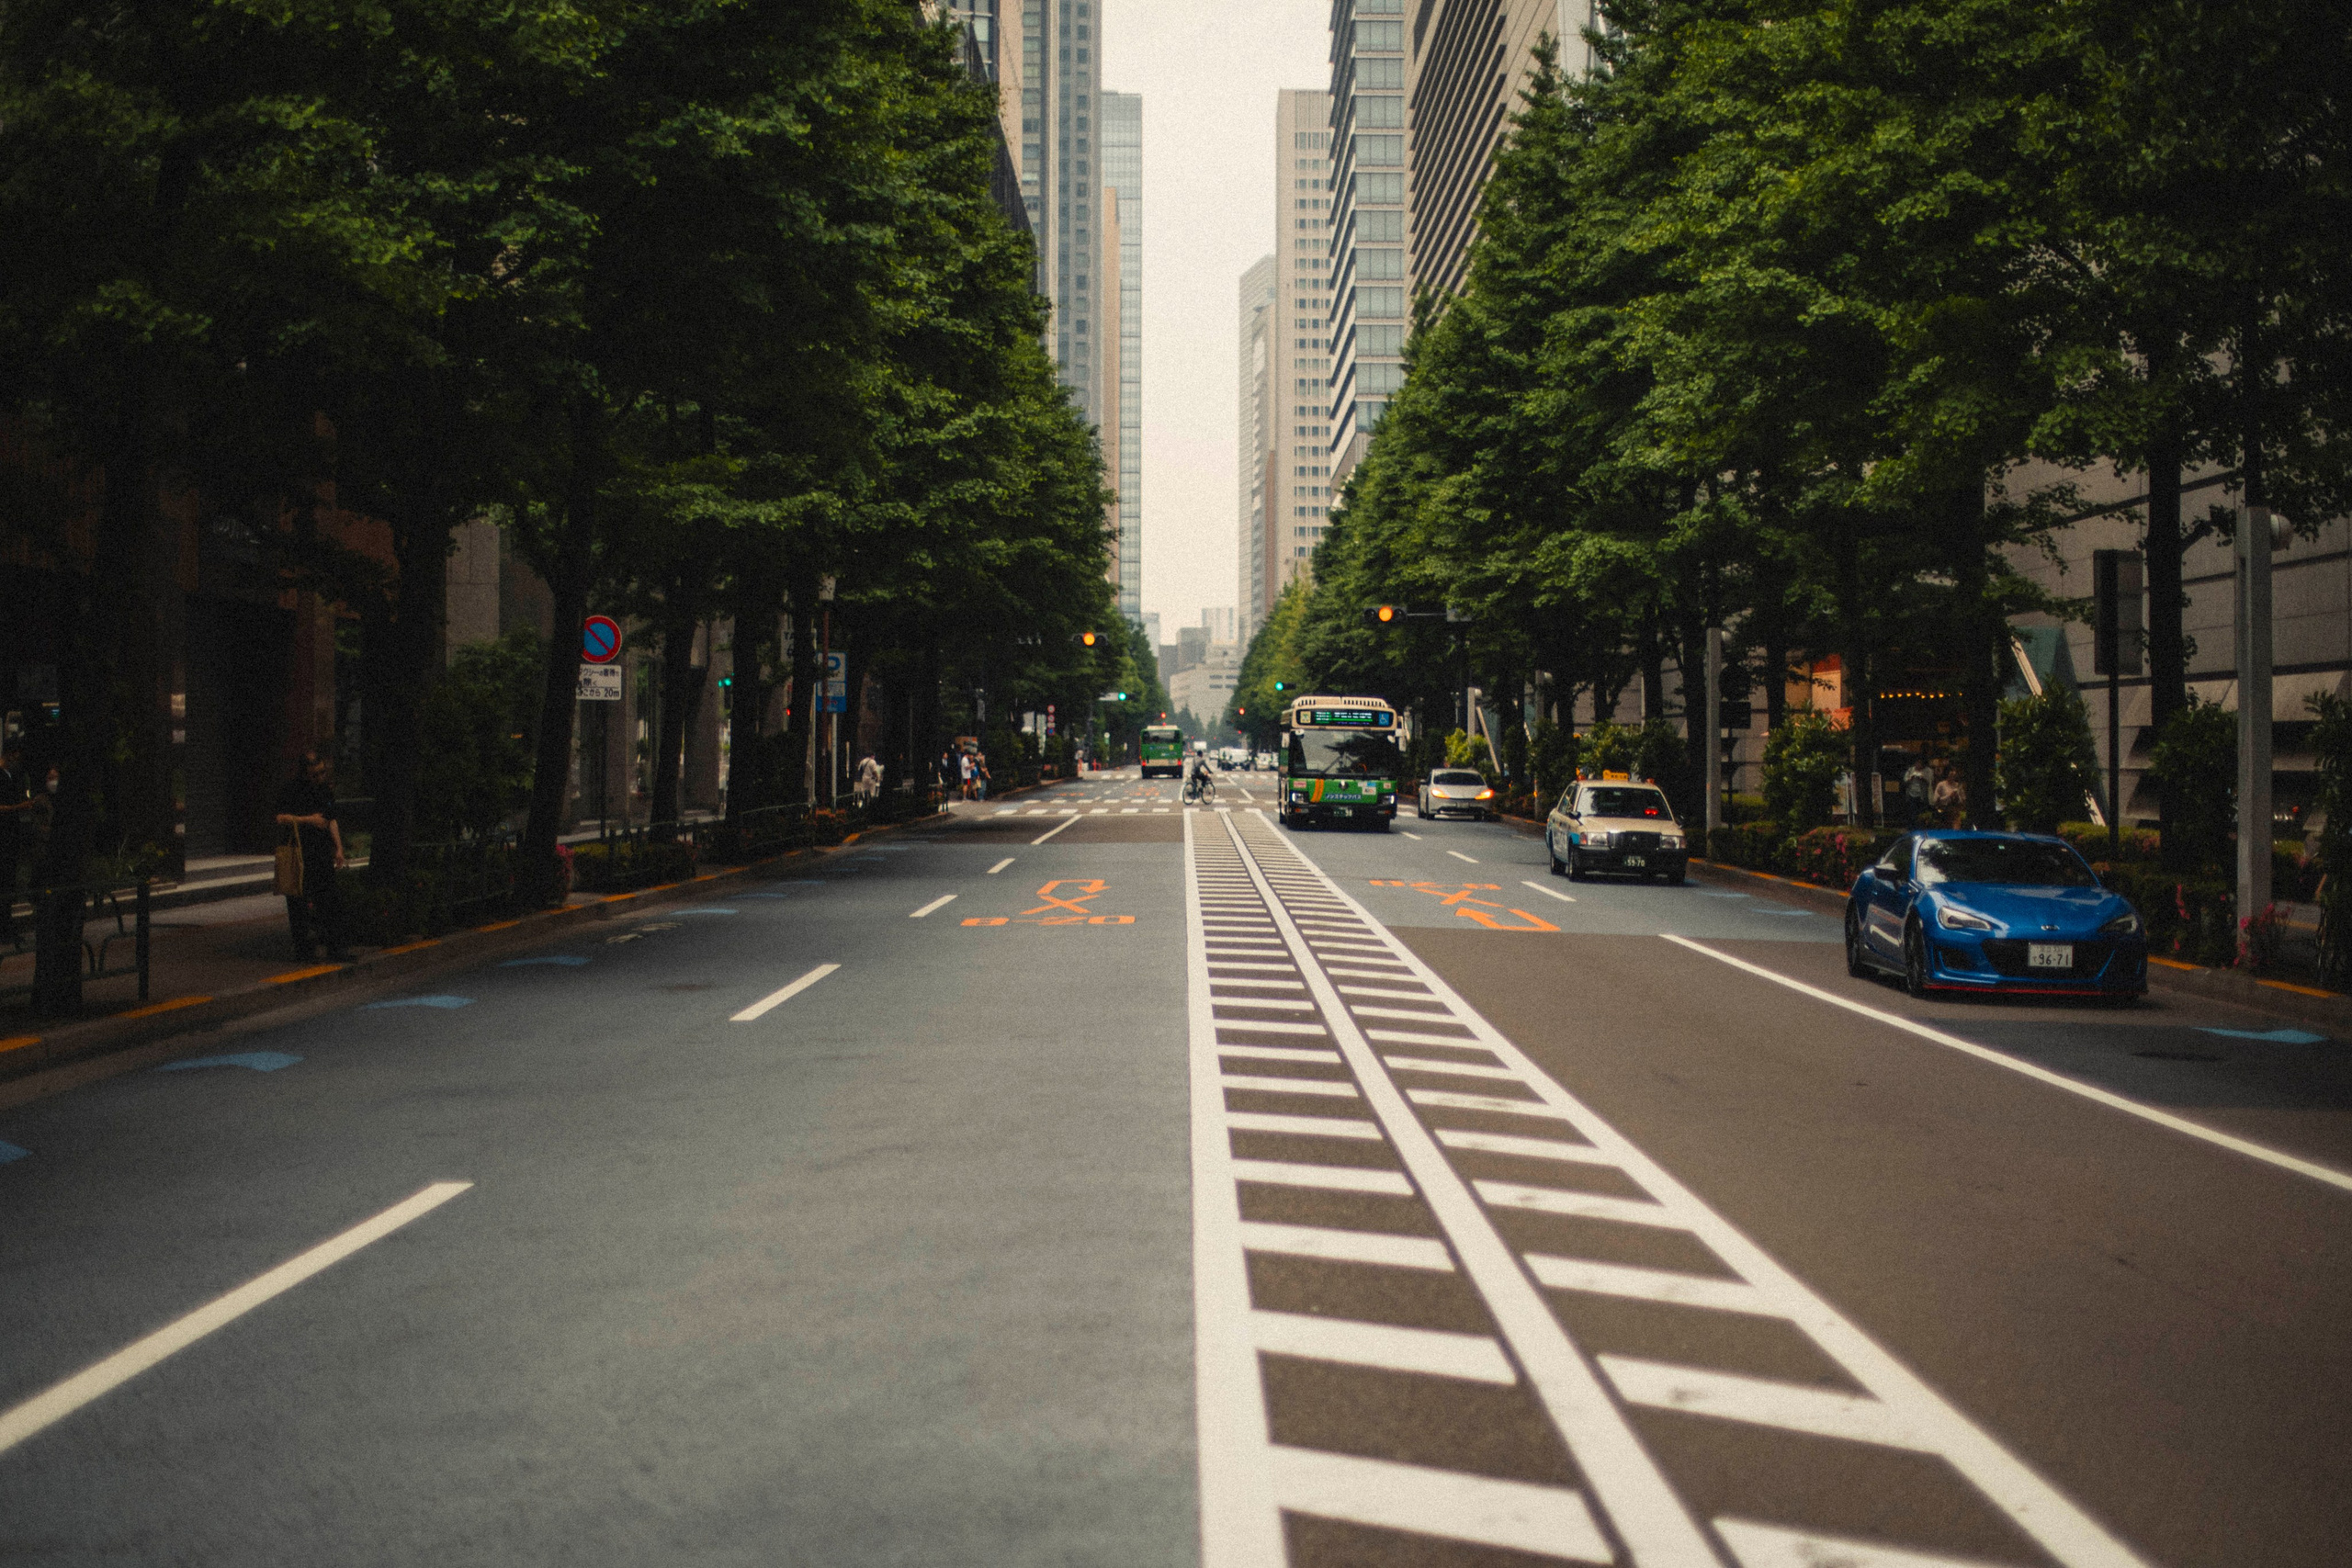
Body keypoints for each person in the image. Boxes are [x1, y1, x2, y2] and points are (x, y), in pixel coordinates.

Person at [273, 750, 351, 961]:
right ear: (304, 774)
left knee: (331, 901)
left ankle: (336, 949)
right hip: (299, 853)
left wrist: (339, 847)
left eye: (322, 772)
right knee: (298, 904)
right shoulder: (292, 790)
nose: (319, 777)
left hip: (321, 853)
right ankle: (304, 951)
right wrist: (309, 820)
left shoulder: (324, 790)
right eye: (314, 774)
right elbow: (281, 818)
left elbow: (330, 819)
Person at [0, 746, 30, 949]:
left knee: (8, 883)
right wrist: (19, 807)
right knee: (4, 883)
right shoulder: (2, 776)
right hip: (3, 837)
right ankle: (5, 929)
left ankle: (7, 927)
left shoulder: (10, 775)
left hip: (9, 837)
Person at [1931, 761, 1965, 828]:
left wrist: (1957, 797)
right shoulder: (1941, 785)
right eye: (1951, 771)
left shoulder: (1958, 786)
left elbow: (1963, 799)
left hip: (1955, 812)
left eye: (1954, 772)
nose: (1953, 774)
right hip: (1944, 812)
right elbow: (1935, 800)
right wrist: (1949, 796)